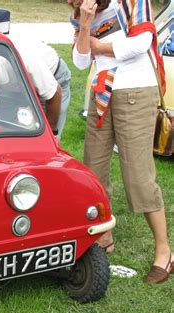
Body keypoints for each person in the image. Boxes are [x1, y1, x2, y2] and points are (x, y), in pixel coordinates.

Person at [70, 0, 172, 283]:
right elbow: (80, 62)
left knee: (138, 175)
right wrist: (86, 22)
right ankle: (103, 237)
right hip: (101, 91)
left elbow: (141, 43)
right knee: (94, 170)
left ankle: (164, 252)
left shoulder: (131, 2)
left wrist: (99, 47)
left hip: (135, 91)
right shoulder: (81, 12)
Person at [14, 39, 71, 140]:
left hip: (53, 78)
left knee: (45, 138)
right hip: (19, 82)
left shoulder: (27, 62)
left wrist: (52, 134)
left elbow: (54, 94)